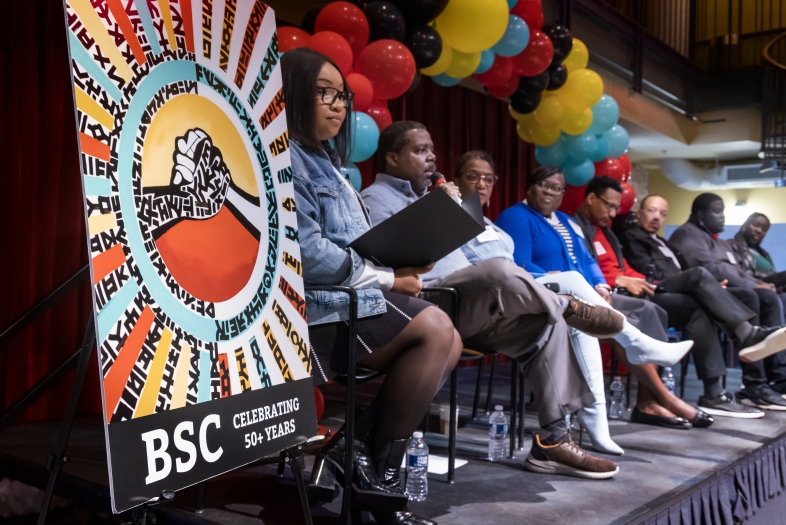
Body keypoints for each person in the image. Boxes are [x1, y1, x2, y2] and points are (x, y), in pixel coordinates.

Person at [361, 123, 621, 478]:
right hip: (427, 304)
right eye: (421, 151)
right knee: (497, 270)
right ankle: (568, 304)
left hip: (470, 304)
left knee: (545, 323)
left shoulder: (433, 196)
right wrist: (437, 210)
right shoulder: (376, 199)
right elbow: (390, 259)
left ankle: (553, 441)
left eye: (432, 150)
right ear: (392, 158)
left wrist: (448, 209)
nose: (432, 158)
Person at [282, 48, 462, 525]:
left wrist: (407, 255)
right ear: (294, 93)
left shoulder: (331, 164)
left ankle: (361, 459)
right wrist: (388, 278)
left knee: (450, 339)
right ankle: (371, 470)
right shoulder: (286, 159)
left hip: (349, 298)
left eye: (342, 95)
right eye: (324, 92)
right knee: (437, 330)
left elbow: (357, 245)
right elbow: (307, 253)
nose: (338, 104)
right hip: (314, 311)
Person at [573, 176, 721, 427]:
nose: (613, 213)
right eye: (609, 206)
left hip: (625, 290)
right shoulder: (578, 227)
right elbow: (586, 268)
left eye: (617, 208)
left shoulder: (605, 231)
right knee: (665, 302)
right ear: (591, 199)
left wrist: (640, 281)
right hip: (595, 295)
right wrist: (620, 281)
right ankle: (660, 398)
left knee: (665, 308)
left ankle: (650, 401)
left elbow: (623, 268)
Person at [662, 194, 786, 410]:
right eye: (717, 212)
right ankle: (755, 383)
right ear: (701, 214)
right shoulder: (689, 234)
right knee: (751, 296)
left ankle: (778, 378)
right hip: (703, 295)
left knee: (768, 296)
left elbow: (738, 272)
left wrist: (759, 284)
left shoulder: (719, 242)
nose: (723, 217)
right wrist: (755, 286)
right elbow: (707, 270)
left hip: (725, 291)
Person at [731, 212, 786, 288]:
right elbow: (737, 273)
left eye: (764, 229)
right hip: (754, 283)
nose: (759, 231)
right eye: (756, 225)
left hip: (772, 286)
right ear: (745, 225)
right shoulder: (732, 245)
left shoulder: (764, 254)